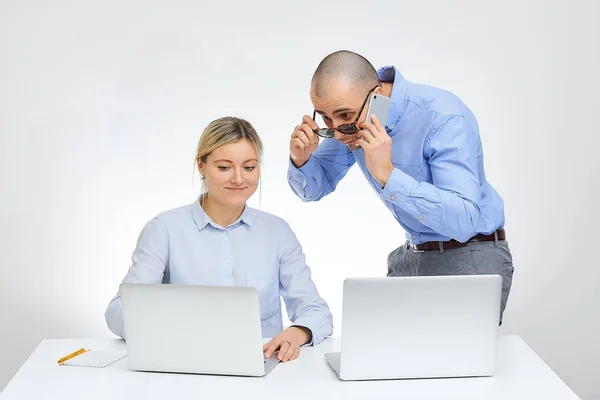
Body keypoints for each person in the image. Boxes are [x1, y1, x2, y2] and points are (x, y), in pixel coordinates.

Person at [287, 50, 514, 323]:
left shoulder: (443, 117)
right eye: (325, 119)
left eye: (343, 116)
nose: (336, 132)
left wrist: (387, 174)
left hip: (471, 258)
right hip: (411, 259)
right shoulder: (356, 122)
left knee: (456, 365)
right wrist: (301, 160)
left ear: (376, 96)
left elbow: (465, 221)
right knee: (379, 356)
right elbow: (314, 188)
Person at [106, 116, 333, 362]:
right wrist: (172, 325)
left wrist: (297, 332)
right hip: (185, 363)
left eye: (249, 167)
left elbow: (316, 311)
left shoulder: (277, 231)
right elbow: (118, 311)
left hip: (259, 367)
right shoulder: (164, 229)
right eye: (224, 167)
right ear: (202, 166)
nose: (238, 179)